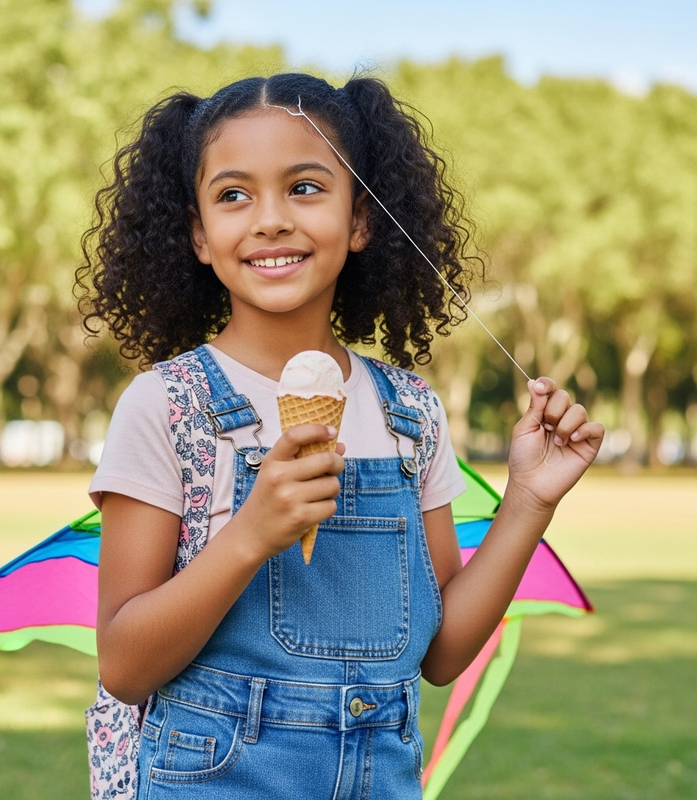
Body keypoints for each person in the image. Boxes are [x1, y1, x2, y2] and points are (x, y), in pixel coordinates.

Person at [76, 72, 604, 799]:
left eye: (305, 187)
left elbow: (442, 652)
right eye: (233, 195)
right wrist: (251, 534)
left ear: (360, 220)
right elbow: (124, 666)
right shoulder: (166, 405)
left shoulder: (409, 411)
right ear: (198, 235)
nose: (269, 220)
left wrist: (529, 502)